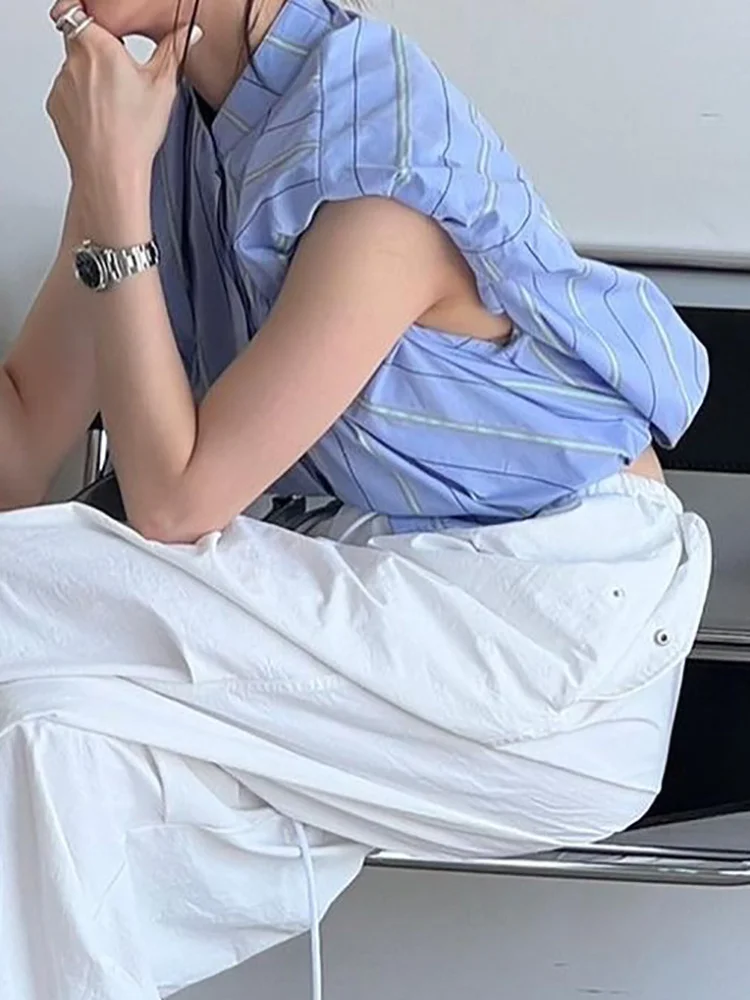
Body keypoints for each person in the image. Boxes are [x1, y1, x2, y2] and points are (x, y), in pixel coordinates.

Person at [0, 0, 712, 997]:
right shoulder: (158, 137)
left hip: (560, 640)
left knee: (23, 598)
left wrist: (113, 187)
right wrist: (115, 178)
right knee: (53, 744)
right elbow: (24, 428)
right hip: (389, 595)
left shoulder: (374, 145)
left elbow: (175, 506)